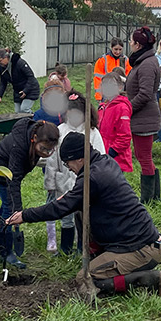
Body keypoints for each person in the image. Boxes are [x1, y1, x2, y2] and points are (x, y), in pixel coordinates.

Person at [7, 134, 161, 295]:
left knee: (85, 278)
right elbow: (72, 201)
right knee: (81, 211)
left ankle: (148, 279)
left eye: (67, 162)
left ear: (79, 159)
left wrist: (25, 215)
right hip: (133, 240)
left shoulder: (92, 177)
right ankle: (102, 259)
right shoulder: (103, 162)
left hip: (142, 249)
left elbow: (61, 208)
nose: (68, 167)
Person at [0, 117, 60, 266]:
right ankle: (6, 252)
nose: (47, 153)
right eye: (44, 149)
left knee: (6, 206)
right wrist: (18, 210)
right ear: (34, 138)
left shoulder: (34, 137)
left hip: (13, 173)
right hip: (2, 172)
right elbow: (13, 180)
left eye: (50, 150)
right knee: (10, 210)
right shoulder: (19, 147)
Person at [42, 95, 106, 254]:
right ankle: (65, 249)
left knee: (83, 218)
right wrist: (51, 184)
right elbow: (52, 161)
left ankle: (81, 248)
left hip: (85, 184)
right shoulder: (60, 131)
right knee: (66, 218)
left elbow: (101, 158)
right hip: (63, 183)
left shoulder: (92, 133)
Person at [125, 25, 161, 203]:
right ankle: (154, 197)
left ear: (138, 45)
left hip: (144, 119)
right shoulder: (144, 60)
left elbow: (146, 94)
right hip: (141, 118)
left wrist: (127, 108)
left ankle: (148, 200)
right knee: (143, 156)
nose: (130, 44)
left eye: (131, 41)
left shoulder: (146, 64)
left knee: (144, 158)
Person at [98, 73, 133, 174]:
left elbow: (125, 136)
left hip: (115, 157)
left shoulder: (122, 108)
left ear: (120, 88)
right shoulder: (103, 107)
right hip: (103, 154)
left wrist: (112, 151)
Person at [0, 48, 40, 113]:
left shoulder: (20, 63)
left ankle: (34, 120)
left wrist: (25, 91)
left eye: (0, 61)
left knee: (24, 110)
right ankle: (24, 123)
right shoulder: (2, 67)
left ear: (6, 57)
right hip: (18, 91)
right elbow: (3, 82)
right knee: (17, 113)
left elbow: (31, 77)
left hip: (30, 89)